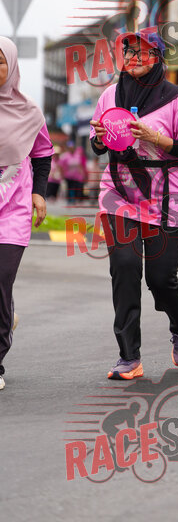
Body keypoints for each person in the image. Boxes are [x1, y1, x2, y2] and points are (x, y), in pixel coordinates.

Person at [90, 30, 178, 380]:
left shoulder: (177, 100)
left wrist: (157, 138)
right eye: (129, 51)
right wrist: (99, 139)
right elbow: (98, 144)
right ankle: (129, 357)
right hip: (119, 192)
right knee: (124, 267)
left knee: (160, 278)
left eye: (143, 51)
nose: (134, 57)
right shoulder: (110, 96)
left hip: (169, 195)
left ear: (158, 57)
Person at [0, 36, 53, 390]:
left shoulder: (30, 111)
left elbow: (43, 153)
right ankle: (6, 316)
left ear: (12, 65)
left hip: (14, 206)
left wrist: (38, 192)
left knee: (1, 277)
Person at [59, 139, 88, 204]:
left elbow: (80, 165)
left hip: (76, 175)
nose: (71, 149)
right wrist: (62, 174)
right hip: (68, 175)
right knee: (70, 187)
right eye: (70, 147)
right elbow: (61, 166)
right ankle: (70, 199)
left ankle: (74, 199)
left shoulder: (77, 155)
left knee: (75, 187)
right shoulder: (65, 156)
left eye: (72, 147)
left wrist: (83, 173)